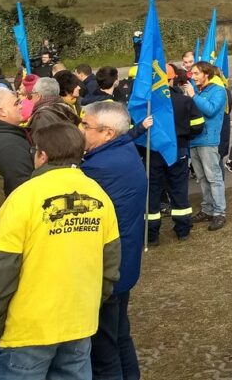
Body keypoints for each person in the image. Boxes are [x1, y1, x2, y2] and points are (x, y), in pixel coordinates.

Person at [0, 122, 120, 380]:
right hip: (80, 324)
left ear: (42, 155)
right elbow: (110, 266)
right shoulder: (99, 195)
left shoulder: (23, 197)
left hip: (27, 330)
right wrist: (90, 305)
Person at [79, 102, 148, 380]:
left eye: (86, 126)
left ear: (108, 133)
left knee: (104, 350)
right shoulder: (122, 150)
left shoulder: (96, 168)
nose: (80, 130)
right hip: (124, 265)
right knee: (119, 336)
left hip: (106, 271)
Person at [149, 70, 201, 244]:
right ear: (171, 80)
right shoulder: (184, 100)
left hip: (153, 153)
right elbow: (198, 124)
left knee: (153, 193)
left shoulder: (147, 104)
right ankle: (183, 230)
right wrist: (185, 137)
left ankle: (152, 235)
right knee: (179, 190)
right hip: (178, 149)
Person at [185, 62, 228, 230]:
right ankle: (207, 209)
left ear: (206, 74)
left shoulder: (217, 91)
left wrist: (193, 97)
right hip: (194, 140)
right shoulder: (199, 91)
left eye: (196, 74)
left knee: (214, 178)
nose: (193, 77)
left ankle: (219, 213)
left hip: (208, 140)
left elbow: (210, 110)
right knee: (202, 178)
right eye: (192, 74)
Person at [0, 88, 33, 194]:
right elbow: (22, 190)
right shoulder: (10, 146)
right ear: (1, 111)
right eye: (16, 104)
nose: (21, 106)